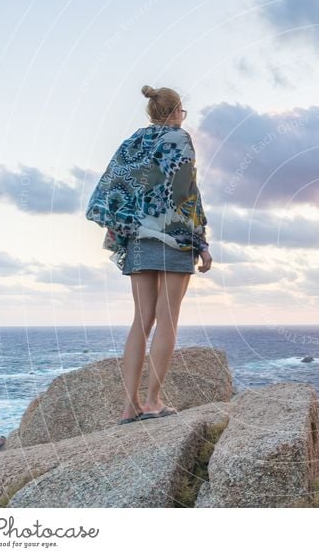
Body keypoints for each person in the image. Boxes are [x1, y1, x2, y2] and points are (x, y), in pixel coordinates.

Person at [85, 85, 212, 424]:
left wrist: (123, 226)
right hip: (174, 238)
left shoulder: (131, 144)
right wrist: (201, 241)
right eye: (182, 112)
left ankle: (130, 407)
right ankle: (153, 401)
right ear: (176, 111)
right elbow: (185, 193)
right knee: (167, 318)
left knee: (141, 321)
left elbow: (111, 185)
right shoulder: (178, 139)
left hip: (138, 239)